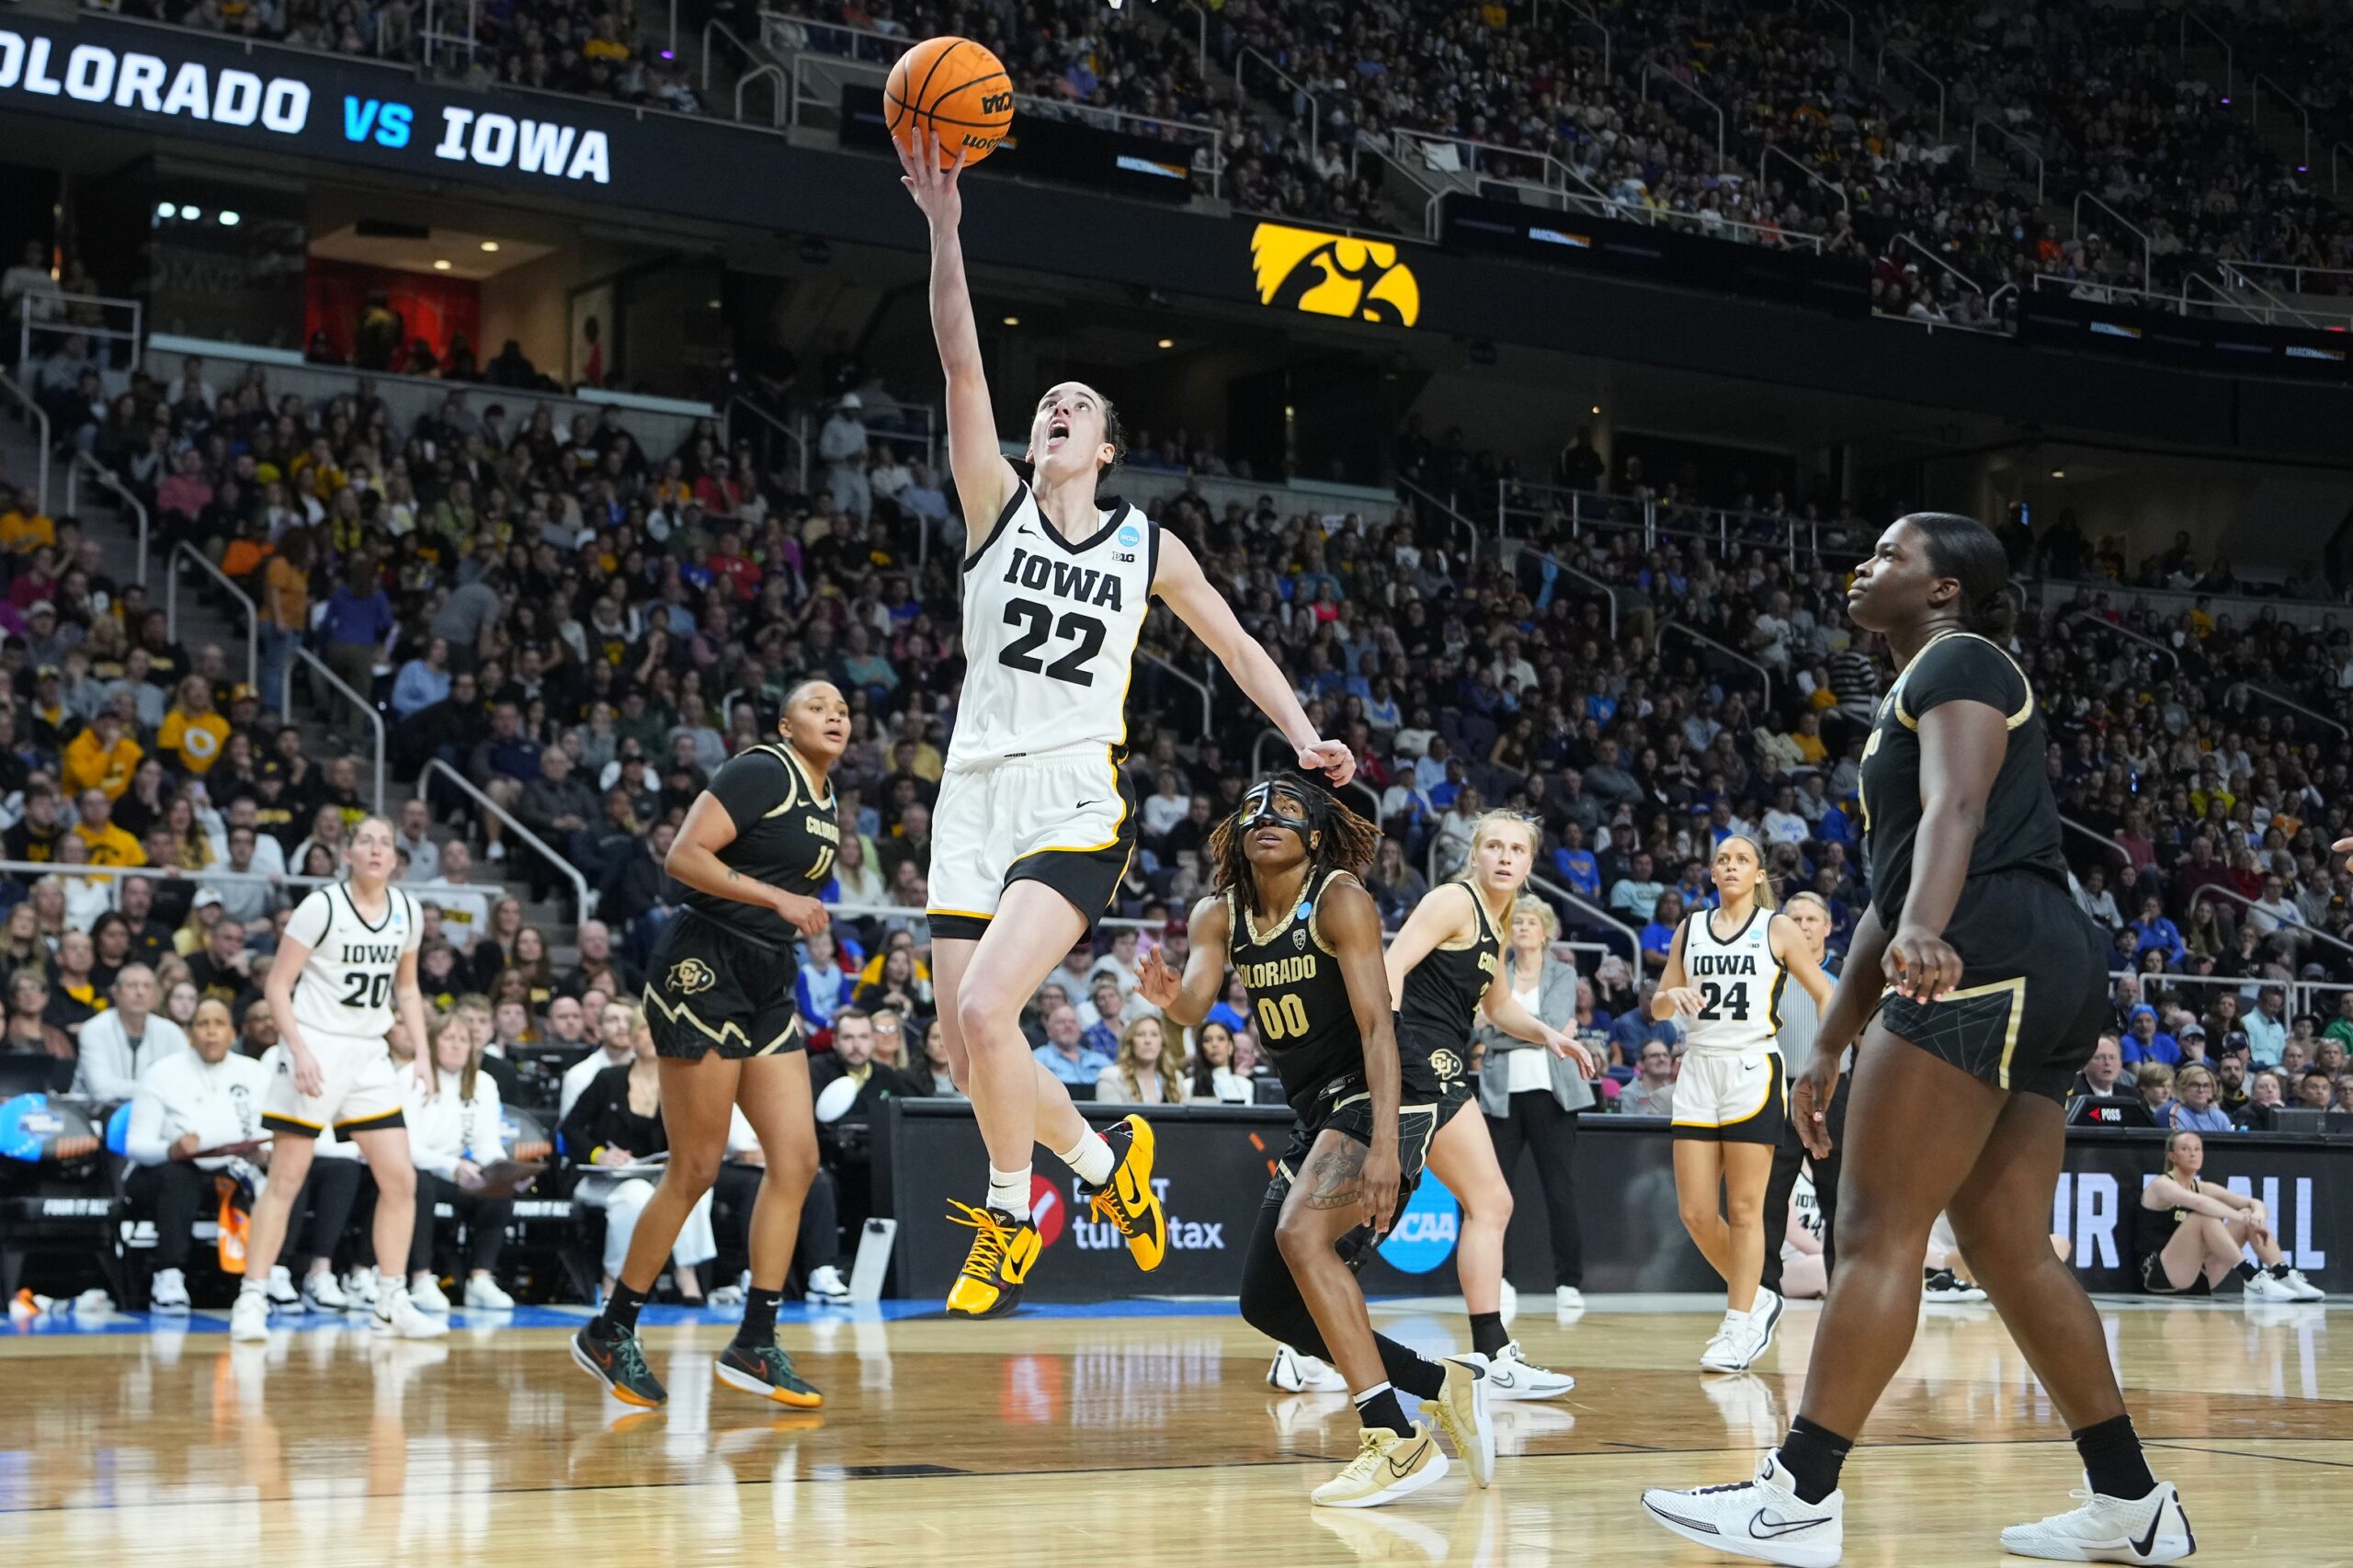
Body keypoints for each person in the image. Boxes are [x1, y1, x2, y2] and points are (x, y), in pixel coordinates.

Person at [1643, 513, 2193, 1565]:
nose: (1865, 565)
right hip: (2029, 957)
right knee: (2006, 1246)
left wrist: (1932, 927)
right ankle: (2132, 1499)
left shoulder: (1962, 659)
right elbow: (1884, 897)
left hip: (1984, 944)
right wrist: (1831, 1039)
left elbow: (1957, 806)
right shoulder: (1914, 684)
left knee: (1877, 1229)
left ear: (1945, 589)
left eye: (1891, 553)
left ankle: (1797, 1494)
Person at [897, 130, 1354, 1318]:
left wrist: (1304, 735)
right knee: (966, 1041)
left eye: (1076, 405)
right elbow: (957, 361)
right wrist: (945, 228)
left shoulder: (1149, 546)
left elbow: (1238, 645)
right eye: (1046, 400)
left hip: (1071, 797)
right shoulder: (993, 503)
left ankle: (1012, 1211)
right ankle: (1109, 1167)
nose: (1052, 408)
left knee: (991, 1010)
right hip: (972, 794)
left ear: (1106, 447)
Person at [1137, 775, 1494, 1507]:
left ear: (1316, 834)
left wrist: (1389, 1144)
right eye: (1253, 809)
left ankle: (1393, 1440)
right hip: (1318, 1111)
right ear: (1235, 832)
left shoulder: (1338, 900)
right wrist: (1167, 998)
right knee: (1267, 1304)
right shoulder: (1218, 914)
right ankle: (1440, 1382)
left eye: (1288, 809)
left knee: (1304, 1236)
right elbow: (1196, 1004)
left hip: (1384, 1091)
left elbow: (1377, 1029)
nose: (1267, 817)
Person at [572, 682, 847, 1411]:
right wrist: (778, 899)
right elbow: (683, 857)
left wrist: (780, 911)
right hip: (705, 963)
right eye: (818, 704)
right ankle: (611, 1328)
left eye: (843, 707)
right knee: (694, 1166)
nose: (836, 713)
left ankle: (756, 1340)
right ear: (786, 723)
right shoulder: (762, 769)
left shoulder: (828, 797)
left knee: (798, 1161)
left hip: (765, 974)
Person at [1382, 811, 1595, 1399]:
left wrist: (1549, 1034)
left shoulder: (1496, 924)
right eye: (1494, 846)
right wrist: (1390, 1055)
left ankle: (1303, 1344)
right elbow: (1390, 967)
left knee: (1382, 1207)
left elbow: (1498, 1008)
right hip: (1419, 1058)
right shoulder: (1452, 900)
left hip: (1436, 1059)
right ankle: (1493, 1355)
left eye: (1517, 849)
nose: (1505, 856)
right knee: (1489, 1200)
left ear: (1529, 864)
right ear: (1474, 854)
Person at [230, 815, 444, 1342]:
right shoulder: (320, 907)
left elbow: (409, 990)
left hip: (369, 1053)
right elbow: (278, 986)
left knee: (401, 1179)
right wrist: (297, 1048)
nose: (375, 850)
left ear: (396, 858)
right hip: (315, 1047)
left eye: (385, 843)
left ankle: (390, 1300)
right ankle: (251, 1299)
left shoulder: (407, 912)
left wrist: (422, 1055)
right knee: (285, 1179)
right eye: (365, 841)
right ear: (347, 853)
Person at [1653, 835, 1835, 1371]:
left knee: (1745, 1208)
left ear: (1758, 875)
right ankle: (1758, 1295)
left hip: (1753, 1068)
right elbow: (1661, 1001)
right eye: (1722, 860)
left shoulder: (1776, 928)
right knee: (1693, 1211)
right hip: (1699, 1067)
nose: (1730, 867)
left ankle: (1738, 1324)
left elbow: (1826, 993)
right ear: (1712, 873)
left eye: (1742, 860)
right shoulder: (1690, 928)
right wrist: (1673, 998)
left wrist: (1828, 1058)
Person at [1473, 894, 1594, 1312]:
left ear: (1545, 933)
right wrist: (1543, 1031)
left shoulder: (1562, 972)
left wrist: (1504, 1029)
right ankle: (1500, 1279)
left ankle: (1568, 1284)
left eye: (1530, 922)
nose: (1522, 927)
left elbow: (1541, 1023)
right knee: (1495, 1192)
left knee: (1559, 1189)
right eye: (1517, 921)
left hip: (1553, 1094)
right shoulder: (1495, 973)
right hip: (1501, 1096)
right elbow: (1484, 1033)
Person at [562, 1006, 718, 1313]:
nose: (656, 1037)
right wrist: (600, 1153)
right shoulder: (609, 1079)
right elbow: (571, 1127)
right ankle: (614, 1278)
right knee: (636, 1197)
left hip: (656, 1173)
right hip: (606, 1178)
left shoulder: (678, 1085)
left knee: (697, 1188)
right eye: (648, 1029)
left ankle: (686, 1271)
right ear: (633, 1038)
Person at [123, 996, 267, 1312]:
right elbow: (135, 1144)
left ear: (234, 1033)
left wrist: (264, 1153)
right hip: (161, 1172)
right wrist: (170, 1149)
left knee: (278, 1177)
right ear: (190, 1033)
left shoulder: (254, 1072)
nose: (211, 1032)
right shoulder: (162, 1073)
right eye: (203, 1024)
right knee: (180, 1177)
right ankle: (169, 1275)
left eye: (219, 1024)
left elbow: (267, 1132)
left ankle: (267, 1277)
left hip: (231, 1168)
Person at [1760, 892, 1845, 1300]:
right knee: (1770, 1197)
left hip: (1833, 1096)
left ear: (1827, 927)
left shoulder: (1847, 977)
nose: (1805, 925)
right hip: (1778, 1093)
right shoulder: (1766, 976)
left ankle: (1843, 1289)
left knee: (1839, 1199)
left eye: (1812, 918)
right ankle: (1762, 1291)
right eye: (1795, 918)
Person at [404, 1013, 517, 1312]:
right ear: (432, 1043)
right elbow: (405, 1146)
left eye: (463, 1040)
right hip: (419, 1168)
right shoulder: (411, 1076)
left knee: (498, 1190)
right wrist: (450, 1166)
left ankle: (480, 1278)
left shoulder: (484, 1083)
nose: (456, 1046)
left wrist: (501, 1169)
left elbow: (486, 1143)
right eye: (448, 1038)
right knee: (421, 1186)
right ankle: (421, 1278)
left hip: (460, 1172)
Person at [2132, 1131, 2322, 1301]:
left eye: (2198, 1149)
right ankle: (2251, 1276)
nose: (2193, 1153)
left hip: (2198, 1274)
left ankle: (2283, 1274)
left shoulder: (2204, 1187)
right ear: (2172, 1156)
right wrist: (2240, 1217)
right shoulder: (2162, 1185)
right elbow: (2199, 1203)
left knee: (2246, 1213)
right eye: (2185, 1149)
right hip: (2160, 1274)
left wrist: (2256, 1216)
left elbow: (2254, 1202)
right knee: (2203, 1217)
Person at [68, 964, 189, 1102]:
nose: (140, 992)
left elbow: (184, 1085)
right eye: (132, 985)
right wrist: (159, 1090)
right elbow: (102, 1090)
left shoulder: (171, 1032)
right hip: (94, 1117)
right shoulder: (94, 1029)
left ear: (156, 995)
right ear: (116, 993)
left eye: (147, 986)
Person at [1093, 1016, 1182, 1105]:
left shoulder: (1175, 1078)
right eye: (1140, 1034)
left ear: (1162, 1043)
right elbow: (1110, 1117)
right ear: (1130, 1042)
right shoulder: (1111, 1078)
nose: (1148, 1041)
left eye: (1154, 1034)